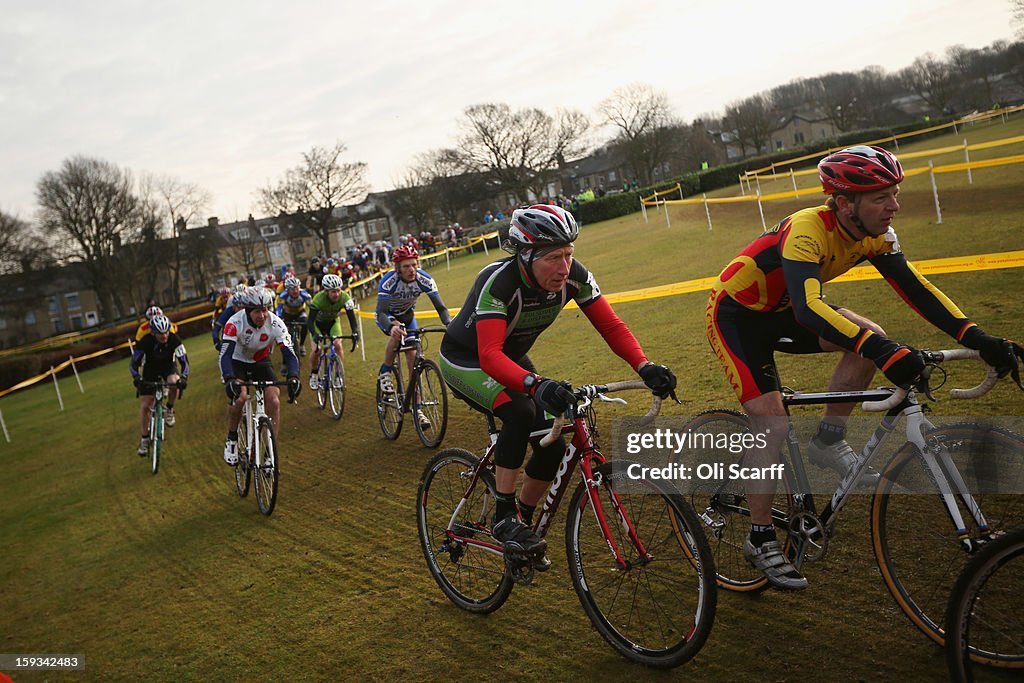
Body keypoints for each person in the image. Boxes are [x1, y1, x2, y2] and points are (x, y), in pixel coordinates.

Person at [705, 145, 1024, 590]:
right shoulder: (806, 230)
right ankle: (760, 538)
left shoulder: (877, 233)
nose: (893, 205)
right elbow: (808, 309)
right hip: (738, 317)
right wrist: (884, 352)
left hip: (785, 309)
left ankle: (828, 442)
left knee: (868, 337)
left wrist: (978, 338)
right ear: (842, 203)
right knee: (773, 424)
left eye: (894, 193)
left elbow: (916, 290)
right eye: (880, 197)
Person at [439, 204, 677, 569]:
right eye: (552, 257)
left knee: (551, 446)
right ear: (525, 254)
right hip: (467, 359)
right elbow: (488, 355)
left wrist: (644, 365)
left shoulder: (574, 277)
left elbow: (611, 327)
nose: (563, 268)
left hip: (511, 359)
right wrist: (535, 385)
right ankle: (503, 515)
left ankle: (523, 523)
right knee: (520, 409)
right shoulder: (499, 281)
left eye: (568, 254)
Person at [219, 287, 301, 465]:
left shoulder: (276, 323)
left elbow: (289, 353)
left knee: (274, 400)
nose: (262, 315)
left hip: (261, 361)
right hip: (237, 362)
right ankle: (232, 439)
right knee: (239, 397)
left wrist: (294, 376)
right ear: (247, 310)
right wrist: (229, 379)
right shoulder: (235, 323)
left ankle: (269, 452)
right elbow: (225, 355)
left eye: (265, 310)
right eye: (257, 311)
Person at [376, 246, 452, 427]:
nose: (411, 270)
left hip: (408, 316)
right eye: (406, 266)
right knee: (396, 333)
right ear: (398, 268)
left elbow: (441, 308)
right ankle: (386, 372)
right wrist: (390, 327)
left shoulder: (424, 279)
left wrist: (449, 324)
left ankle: (417, 409)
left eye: (414, 265)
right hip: (388, 316)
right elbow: (381, 314)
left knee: (413, 361)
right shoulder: (389, 281)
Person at [129, 315, 189, 455]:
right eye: (161, 333)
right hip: (150, 369)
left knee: (174, 382)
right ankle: (144, 439)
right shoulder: (145, 342)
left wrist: (184, 377)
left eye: (166, 332)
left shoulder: (174, 339)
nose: (164, 336)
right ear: (153, 333)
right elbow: (134, 364)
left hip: (168, 366)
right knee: (145, 406)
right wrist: (137, 377)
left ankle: (169, 409)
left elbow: (184, 361)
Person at [306, 274, 360, 390]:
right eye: (333, 292)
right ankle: (314, 374)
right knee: (317, 349)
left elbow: (352, 318)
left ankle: (338, 375)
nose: (336, 294)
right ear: (326, 292)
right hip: (317, 324)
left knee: (337, 345)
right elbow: (309, 321)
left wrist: (355, 332)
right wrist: (314, 334)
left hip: (333, 323)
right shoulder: (318, 299)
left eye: (338, 291)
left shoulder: (345, 298)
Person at [276, 276, 312, 360]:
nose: (295, 291)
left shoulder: (304, 294)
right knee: (284, 332)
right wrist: (280, 317)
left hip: (300, 312)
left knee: (305, 324)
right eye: (292, 289)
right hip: (288, 314)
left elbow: (311, 307)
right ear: (288, 290)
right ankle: (285, 359)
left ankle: (302, 345)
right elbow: (279, 308)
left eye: (296, 288)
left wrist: (312, 317)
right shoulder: (283, 295)